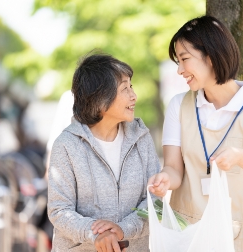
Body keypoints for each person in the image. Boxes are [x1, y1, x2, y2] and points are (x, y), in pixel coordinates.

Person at [148, 16, 243, 252]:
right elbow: (174, 169)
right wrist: (165, 179)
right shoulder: (178, 106)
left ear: (211, 55)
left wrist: (240, 157)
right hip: (189, 238)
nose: (179, 70)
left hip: (240, 241)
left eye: (185, 59)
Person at [48, 52, 160, 252]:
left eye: (131, 86)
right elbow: (59, 210)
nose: (134, 95)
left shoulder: (142, 138)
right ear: (100, 99)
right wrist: (96, 234)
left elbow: (154, 202)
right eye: (124, 88)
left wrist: (122, 229)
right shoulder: (66, 145)